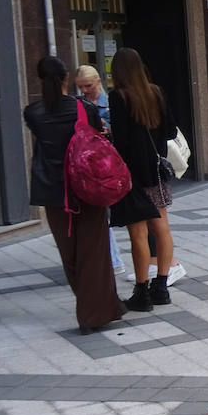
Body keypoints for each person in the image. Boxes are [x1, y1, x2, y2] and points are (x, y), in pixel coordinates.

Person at [23, 56, 124, 332]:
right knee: (93, 250)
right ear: (67, 77)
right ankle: (94, 312)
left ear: (39, 78)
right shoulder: (84, 108)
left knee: (70, 255)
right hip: (86, 188)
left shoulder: (32, 113)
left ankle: (96, 305)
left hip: (54, 193)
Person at [107, 48, 178, 310]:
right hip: (157, 174)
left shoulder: (118, 97)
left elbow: (123, 142)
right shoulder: (156, 92)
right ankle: (161, 288)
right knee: (162, 230)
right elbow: (170, 130)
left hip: (132, 176)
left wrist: (110, 135)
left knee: (137, 234)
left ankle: (141, 293)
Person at [74, 65, 125, 276]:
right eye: (80, 87)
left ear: (97, 81)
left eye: (88, 85)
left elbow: (123, 133)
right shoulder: (78, 104)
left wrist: (109, 131)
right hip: (91, 167)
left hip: (111, 166)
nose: (85, 90)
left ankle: (114, 261)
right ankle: (112, 261)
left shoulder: (110, 103)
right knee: (100, 214)